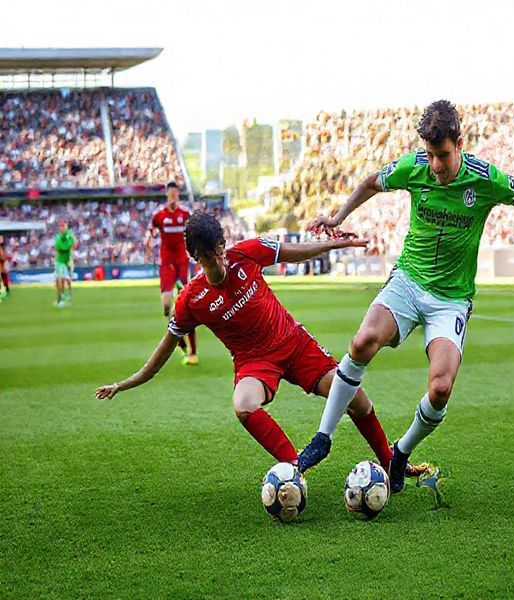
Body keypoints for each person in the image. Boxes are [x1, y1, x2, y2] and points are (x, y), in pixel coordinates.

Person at [298, 100, 514, 492]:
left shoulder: (485, 179)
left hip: (451, 298)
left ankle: (400, 452)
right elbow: (371, 182)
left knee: (440, 388)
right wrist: (338, 217)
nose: (435, 165)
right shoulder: (414, 167)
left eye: (443, 155)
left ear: (460, 143)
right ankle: (323, 437)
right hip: (409, 280)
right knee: (363, 340)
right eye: (431, 155)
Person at [95, 212, 400, 475]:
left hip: (294, 343)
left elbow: (297, 251)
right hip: (254, 363)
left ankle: (389, 463)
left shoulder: (248, 252)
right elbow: (163, 351)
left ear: (223, 244)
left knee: (355, 399)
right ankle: (293, 469)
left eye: (220, 250)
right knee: (243, 404)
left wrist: (334, 243)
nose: (219, 259)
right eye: (210, 255)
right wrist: (125, 384)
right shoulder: (190, 300)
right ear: (196, 258)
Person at [150, 182, 198, 365]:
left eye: (176, 194)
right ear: (167, 195)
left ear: (178, 195)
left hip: (182, 264)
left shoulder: (185, 214)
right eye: (171, 194)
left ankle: (192, 352)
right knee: (167, 305)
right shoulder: (159, 215)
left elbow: (194, 232)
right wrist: (150, 239)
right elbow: (151, 230)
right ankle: (180, 342)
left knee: (188, 305)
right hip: (166, 264)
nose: (173, 197)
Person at [54, 220, 76, 308]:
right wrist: (67, 243)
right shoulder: (58, 237)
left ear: (66, 226)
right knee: (60, 280)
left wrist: (68, 243)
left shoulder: (69, 235)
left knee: (67, 280)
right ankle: (60, 299)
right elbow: (62, 247)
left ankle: (66, 297)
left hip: (68, 261)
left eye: (63, 226)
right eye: (60, 226)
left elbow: (71, 243)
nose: (62, 228)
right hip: (60, 261)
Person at [0, 234, 9, 300]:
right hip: (1, 266)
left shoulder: (2, 248)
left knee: (4, 277)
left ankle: (5, 290)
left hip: (2, 266)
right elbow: (2, 257)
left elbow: (3, 257)